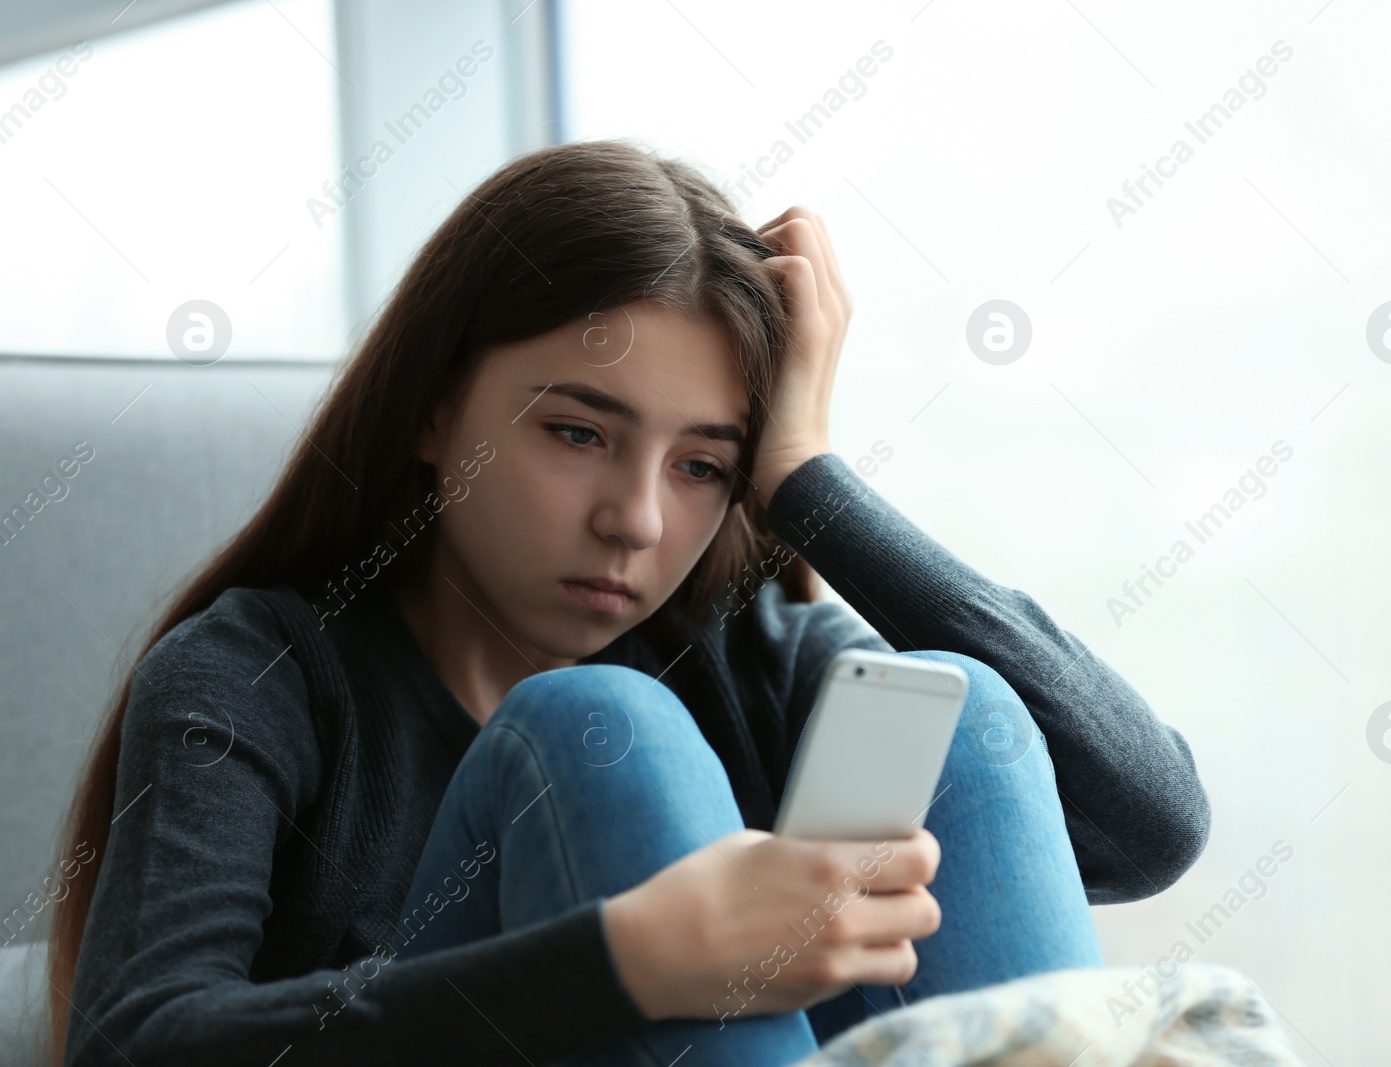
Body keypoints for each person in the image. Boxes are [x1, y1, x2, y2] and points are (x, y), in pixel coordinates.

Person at [48, 139, 1210, 1067]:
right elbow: (135, 1040)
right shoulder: (258, 670)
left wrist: (809, 483)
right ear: (431, 408)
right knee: (593, 731)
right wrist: (628, 959)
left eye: (702, 464)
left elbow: (1147, 821)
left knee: (955, 704)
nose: (638, 520)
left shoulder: (750, 660)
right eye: (576, 432)